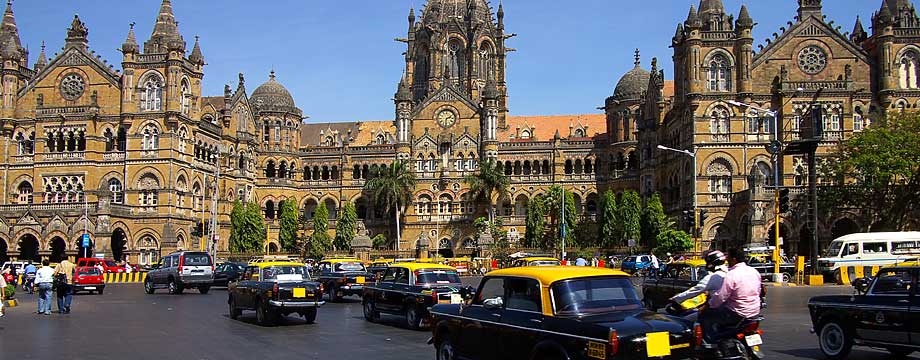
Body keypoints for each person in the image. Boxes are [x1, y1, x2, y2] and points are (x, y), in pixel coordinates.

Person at [700, 247, 763, 345]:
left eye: (728, 257)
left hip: (736, 313)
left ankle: (711, 343)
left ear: (734, 259)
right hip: (754, 312)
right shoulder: (754, 271)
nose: (727, 259)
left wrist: (708, 306)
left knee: (705, 316)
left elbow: (721, 296)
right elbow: (758, 290)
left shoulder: (732, 274)